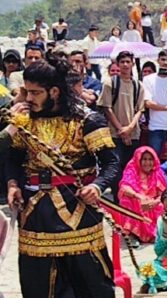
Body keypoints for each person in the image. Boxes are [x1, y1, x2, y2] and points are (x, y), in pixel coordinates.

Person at [6, 57, 119, 297]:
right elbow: (10, 159)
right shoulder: (23, 122)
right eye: (27, 92)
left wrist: (97, 187)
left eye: (35, 93)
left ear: (54, 91)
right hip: (35, 215)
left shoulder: (86, 120)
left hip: (78, 211)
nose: (28, 99)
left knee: (90, 284)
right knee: (38, 283)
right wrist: (13, 184)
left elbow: (111, 162)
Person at [97, 51, 145, 191]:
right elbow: (107, 108)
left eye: (128, 62)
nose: (125, 65)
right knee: (115, 167)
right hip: (114, 133)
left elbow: (139, 110)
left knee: (131, 167)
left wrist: (129, 128)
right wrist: (121, 130)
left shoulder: (138, 86)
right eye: (122, 62)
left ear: (132, 64)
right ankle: (117, 201)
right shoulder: (110, 83)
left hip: (133, 133)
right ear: (118, 64)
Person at [118, 146, 167, 245]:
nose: (147, 162)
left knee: (164, 204)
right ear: (138, 159)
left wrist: (155, 201)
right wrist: (139, 196)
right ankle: (132, 235)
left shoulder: (157, 172)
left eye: (150, 159)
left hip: (152, 203)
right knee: (126, 200)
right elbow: (124, 187)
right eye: (144, 159)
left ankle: (155, 234)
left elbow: (165, 193)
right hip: (137, 201)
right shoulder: (132, 170)